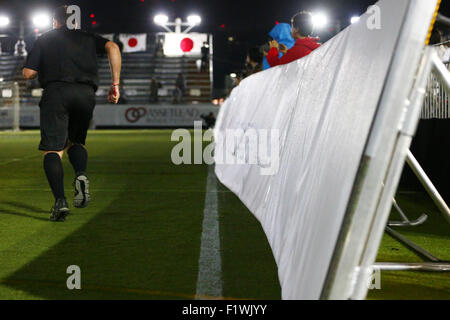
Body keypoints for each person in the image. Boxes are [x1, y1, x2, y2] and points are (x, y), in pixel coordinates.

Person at [22, 5, 122, 222]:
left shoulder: (46, 39)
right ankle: (81, 174)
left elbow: (29, 72)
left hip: (56, 92)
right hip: (85, 94)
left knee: (53, 151)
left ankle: (60, 202)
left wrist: (31, 70)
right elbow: (113, 47)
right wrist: (115, 84)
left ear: (55, 21)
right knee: (76, 142)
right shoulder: (88, 37)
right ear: (75, 22)